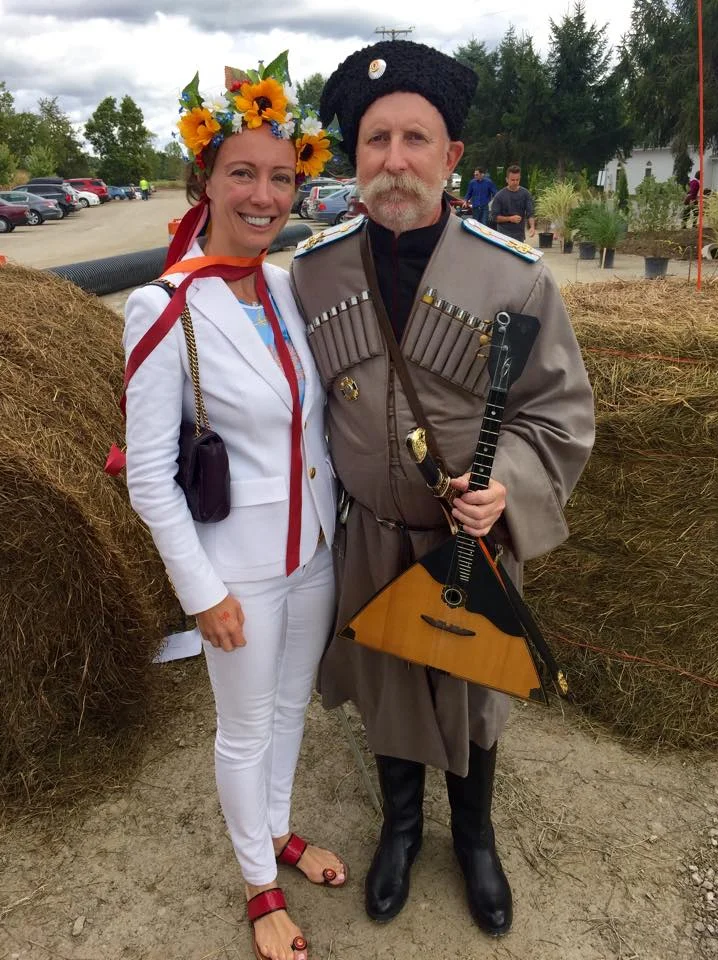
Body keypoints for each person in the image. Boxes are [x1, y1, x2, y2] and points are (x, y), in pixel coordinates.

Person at [290, 39, 594, 939]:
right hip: (373, 537)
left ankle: (473, 838)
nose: (395, 159)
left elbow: (561, 413)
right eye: (376, 139)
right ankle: (400, 830)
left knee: (472, 693)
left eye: (415, 138)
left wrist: (507, 485)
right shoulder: (314, 272)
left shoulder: (515, 276)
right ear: (354, 156)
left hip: (470, 541)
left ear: (452, 154)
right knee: (387, 689)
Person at [123, 54, 345, 960]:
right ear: (206, 180)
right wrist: (201, 592)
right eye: (243, 173)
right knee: (246, 728)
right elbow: (147, 474)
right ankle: (259, 885)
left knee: (291, 709)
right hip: (237, 569)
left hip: (316, 551)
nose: (264, 195)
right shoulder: (163, 305)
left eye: (281, 177)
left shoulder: (289, 288)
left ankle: (278, 830)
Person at [491, 165, 536, 241]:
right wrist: (510, 219)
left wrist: (532, 227)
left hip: (519, 235)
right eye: (512, 180)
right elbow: (494, 217)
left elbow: (530, 213)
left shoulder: (526, 194)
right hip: (503, 235)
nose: (515, 182)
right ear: (507, 180)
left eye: (517, 180)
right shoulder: (499, 196)